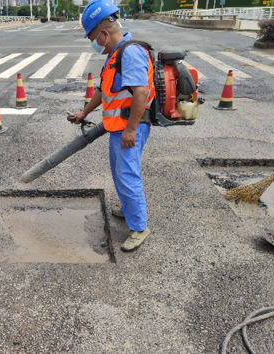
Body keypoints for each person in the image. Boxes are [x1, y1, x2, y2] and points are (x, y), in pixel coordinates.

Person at [72, 0, 155, 252]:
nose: (93, 43)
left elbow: (140, 93)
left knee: (128, 177)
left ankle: (139, 228)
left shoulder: (129, 53)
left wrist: (130, 129)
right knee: (119, 172)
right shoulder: (114, 55)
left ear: (104, 33)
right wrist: (84, 111)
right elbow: (102, 91)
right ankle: (129, 210)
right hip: (116, 127)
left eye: (92, 38)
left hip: (130, 128)